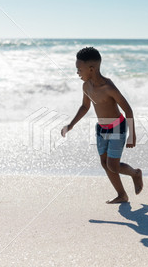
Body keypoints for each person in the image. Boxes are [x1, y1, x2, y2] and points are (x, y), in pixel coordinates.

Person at [61, 47, 143, 204]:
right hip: (101, 129)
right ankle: (122, 195)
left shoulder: (108, 87)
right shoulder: (86, 86)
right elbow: (85, 107)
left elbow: (128, 110)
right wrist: (71, 125)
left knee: (113, 165)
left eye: (79, 69)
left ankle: (135, 173)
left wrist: (132, 135)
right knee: (105, 163)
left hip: (117, 127)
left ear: (91, 69)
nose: (77, 72)